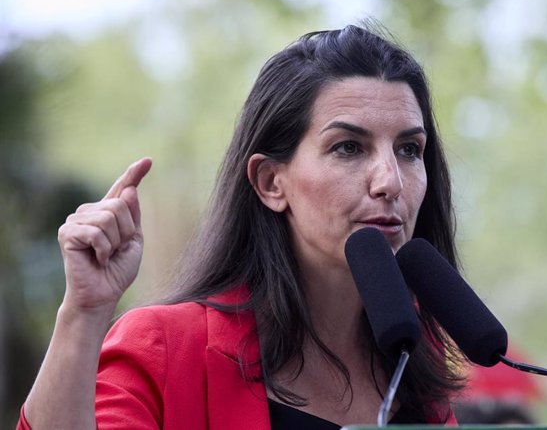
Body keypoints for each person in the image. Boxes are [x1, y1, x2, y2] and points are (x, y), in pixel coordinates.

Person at [17, 24, 464, 429]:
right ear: (271, 182)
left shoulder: (414, 367)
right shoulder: (167, 347)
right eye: (348, 147)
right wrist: (83, 313)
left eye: (409, 149)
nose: (390, 181)